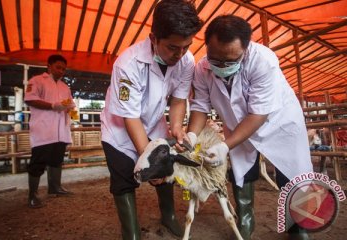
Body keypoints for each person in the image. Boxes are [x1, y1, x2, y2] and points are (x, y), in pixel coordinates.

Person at [186, 15, 313, 240]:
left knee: (292, 171)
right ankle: (245, 219)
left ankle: (299, 226)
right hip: (238, 126)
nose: (221, 66)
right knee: (240, 170)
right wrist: (192, 135)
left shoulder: (264, 61)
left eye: (230, 61)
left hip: (278, 122)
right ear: (206, 46)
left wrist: (225, 146)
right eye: (216, 59)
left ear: (246, 48)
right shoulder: (202, 68)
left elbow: (258, 114)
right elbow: (200, 107)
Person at [100, 1, 203, 239]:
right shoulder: (128, 64)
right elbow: (130, 116)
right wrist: (149, 160)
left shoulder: (187, 61)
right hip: (121, 130)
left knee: (166, 174)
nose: (180, 54)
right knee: (124, 178)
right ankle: (131, 231)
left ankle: (169, 216)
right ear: (153, 38)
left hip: (155, 124)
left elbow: (178, 100)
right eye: (172, 47)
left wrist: (176, 126)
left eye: (186, 46)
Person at [24, 54, 75, 208]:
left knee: (57, 160)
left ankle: (55, 187)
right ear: (49, 66)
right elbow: (30, 99)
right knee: (38, 162)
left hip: (60, 129)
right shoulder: (37, 81)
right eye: (58, 67)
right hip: (43, 128)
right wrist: (52, 106)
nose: (61, 71)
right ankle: (32, 195)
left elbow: (70, 104)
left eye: (64, 69)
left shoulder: (65, 86)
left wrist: (72, 111)